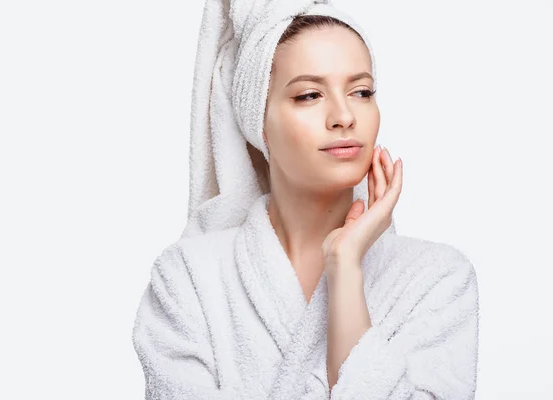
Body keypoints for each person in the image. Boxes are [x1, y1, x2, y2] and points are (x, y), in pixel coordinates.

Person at [132, 2, 479, 399]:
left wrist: (345, 270)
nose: (344, 116)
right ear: (257, 120)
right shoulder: (188, 280)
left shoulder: (437, 280)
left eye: (361, 91)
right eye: (310, 95)